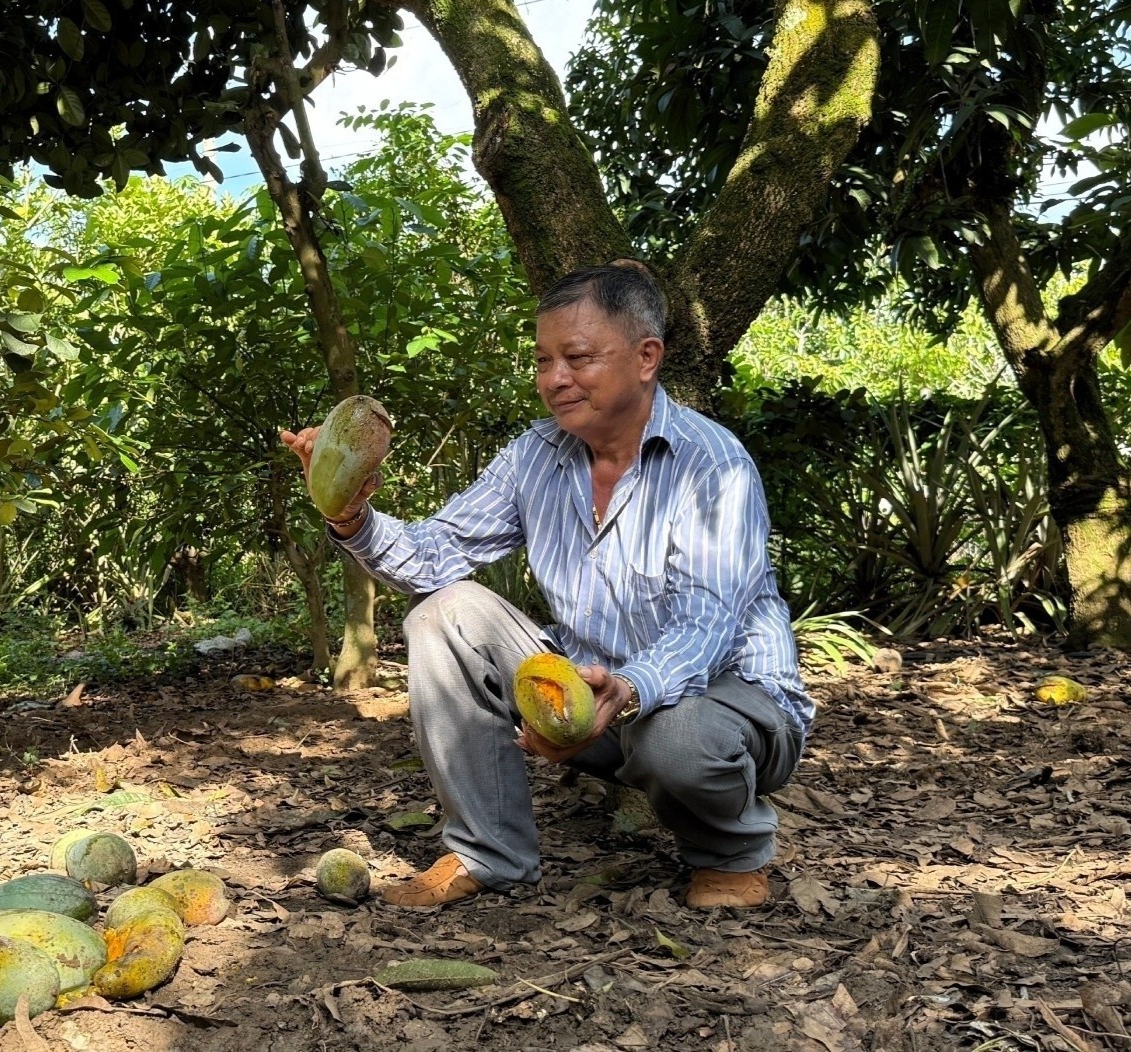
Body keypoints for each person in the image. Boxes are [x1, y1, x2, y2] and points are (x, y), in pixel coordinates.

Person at [280, 261, 812, 910]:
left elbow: (704, 630)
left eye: (578, 357)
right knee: (441, 615)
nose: (555, 379)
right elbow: (434, 554)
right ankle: (488, 852)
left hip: (727, 704)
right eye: (543, 360)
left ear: (647, 358)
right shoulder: (537, 457)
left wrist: (628, 688)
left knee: (676, 735)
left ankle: (730, 855)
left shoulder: (714, 464)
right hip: (596, 696)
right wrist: (349, 513)